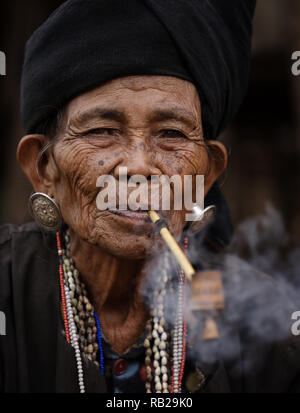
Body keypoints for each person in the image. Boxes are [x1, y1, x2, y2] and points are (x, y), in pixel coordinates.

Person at [1, 0, 300, 393]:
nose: (140, 167)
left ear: (207, 173)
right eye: (101, 131)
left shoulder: (266, 330)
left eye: (172, 134)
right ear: (43, 169)